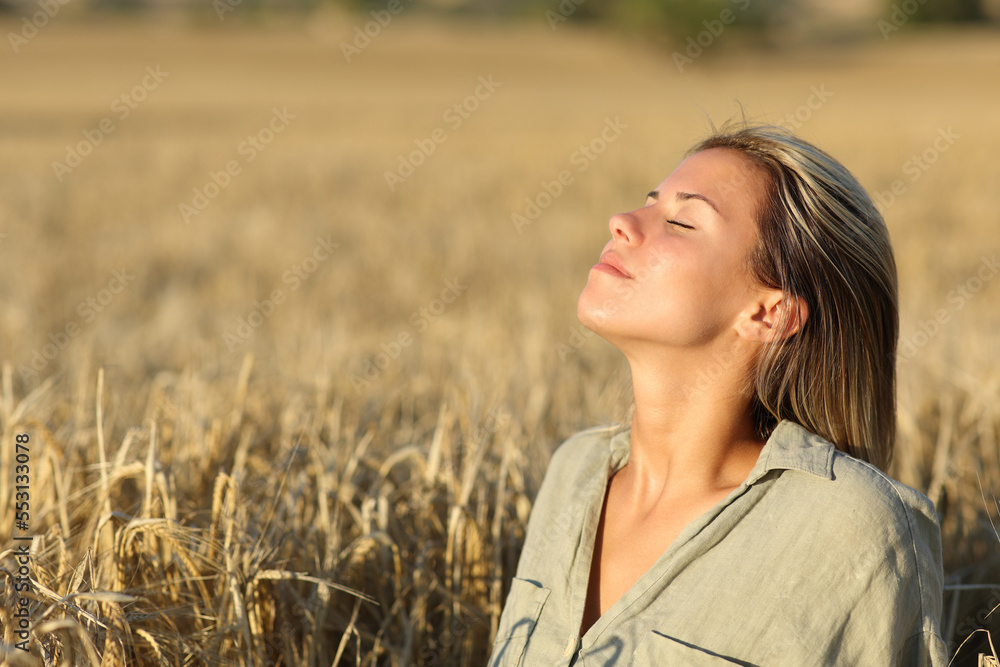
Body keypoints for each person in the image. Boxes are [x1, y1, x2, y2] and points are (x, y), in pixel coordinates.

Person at [488, 122, 948, 666]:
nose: (622, 223)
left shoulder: (851, 527)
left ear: (769, 312)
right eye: (649, 203)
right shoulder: (574, 471)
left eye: (681, 221)